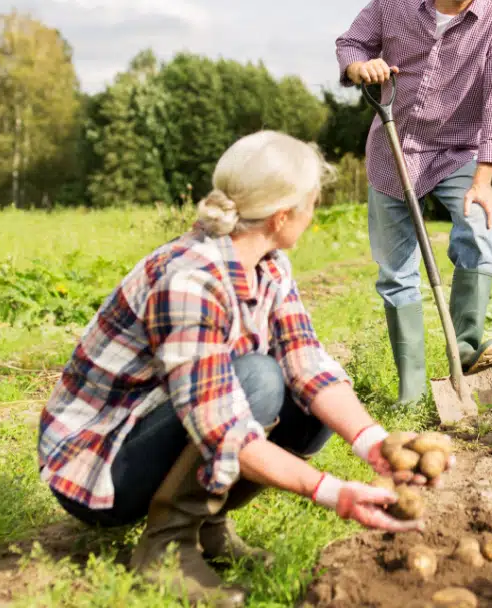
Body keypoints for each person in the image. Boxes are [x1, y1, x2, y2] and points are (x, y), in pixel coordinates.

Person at [37, 130, 446, 606]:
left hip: (168, 424)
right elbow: (219, 425)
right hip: (103, 465)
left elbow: (308, 363)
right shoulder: (190, 278)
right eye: (312, 203)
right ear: (281, 216)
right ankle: (166, 549)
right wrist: (334, 493)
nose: (313, 215)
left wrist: (375, 443)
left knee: (303, 402)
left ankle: (208, 526)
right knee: (258, 380)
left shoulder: (269, 264)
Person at [335, 0, 492, 405]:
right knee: (396, 272)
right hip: (393, 147)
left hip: (459, 150)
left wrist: (483, 181)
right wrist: (361, 66)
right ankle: (413, 392)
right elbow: (350, 43)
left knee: (477, 232)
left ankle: (466, 350)